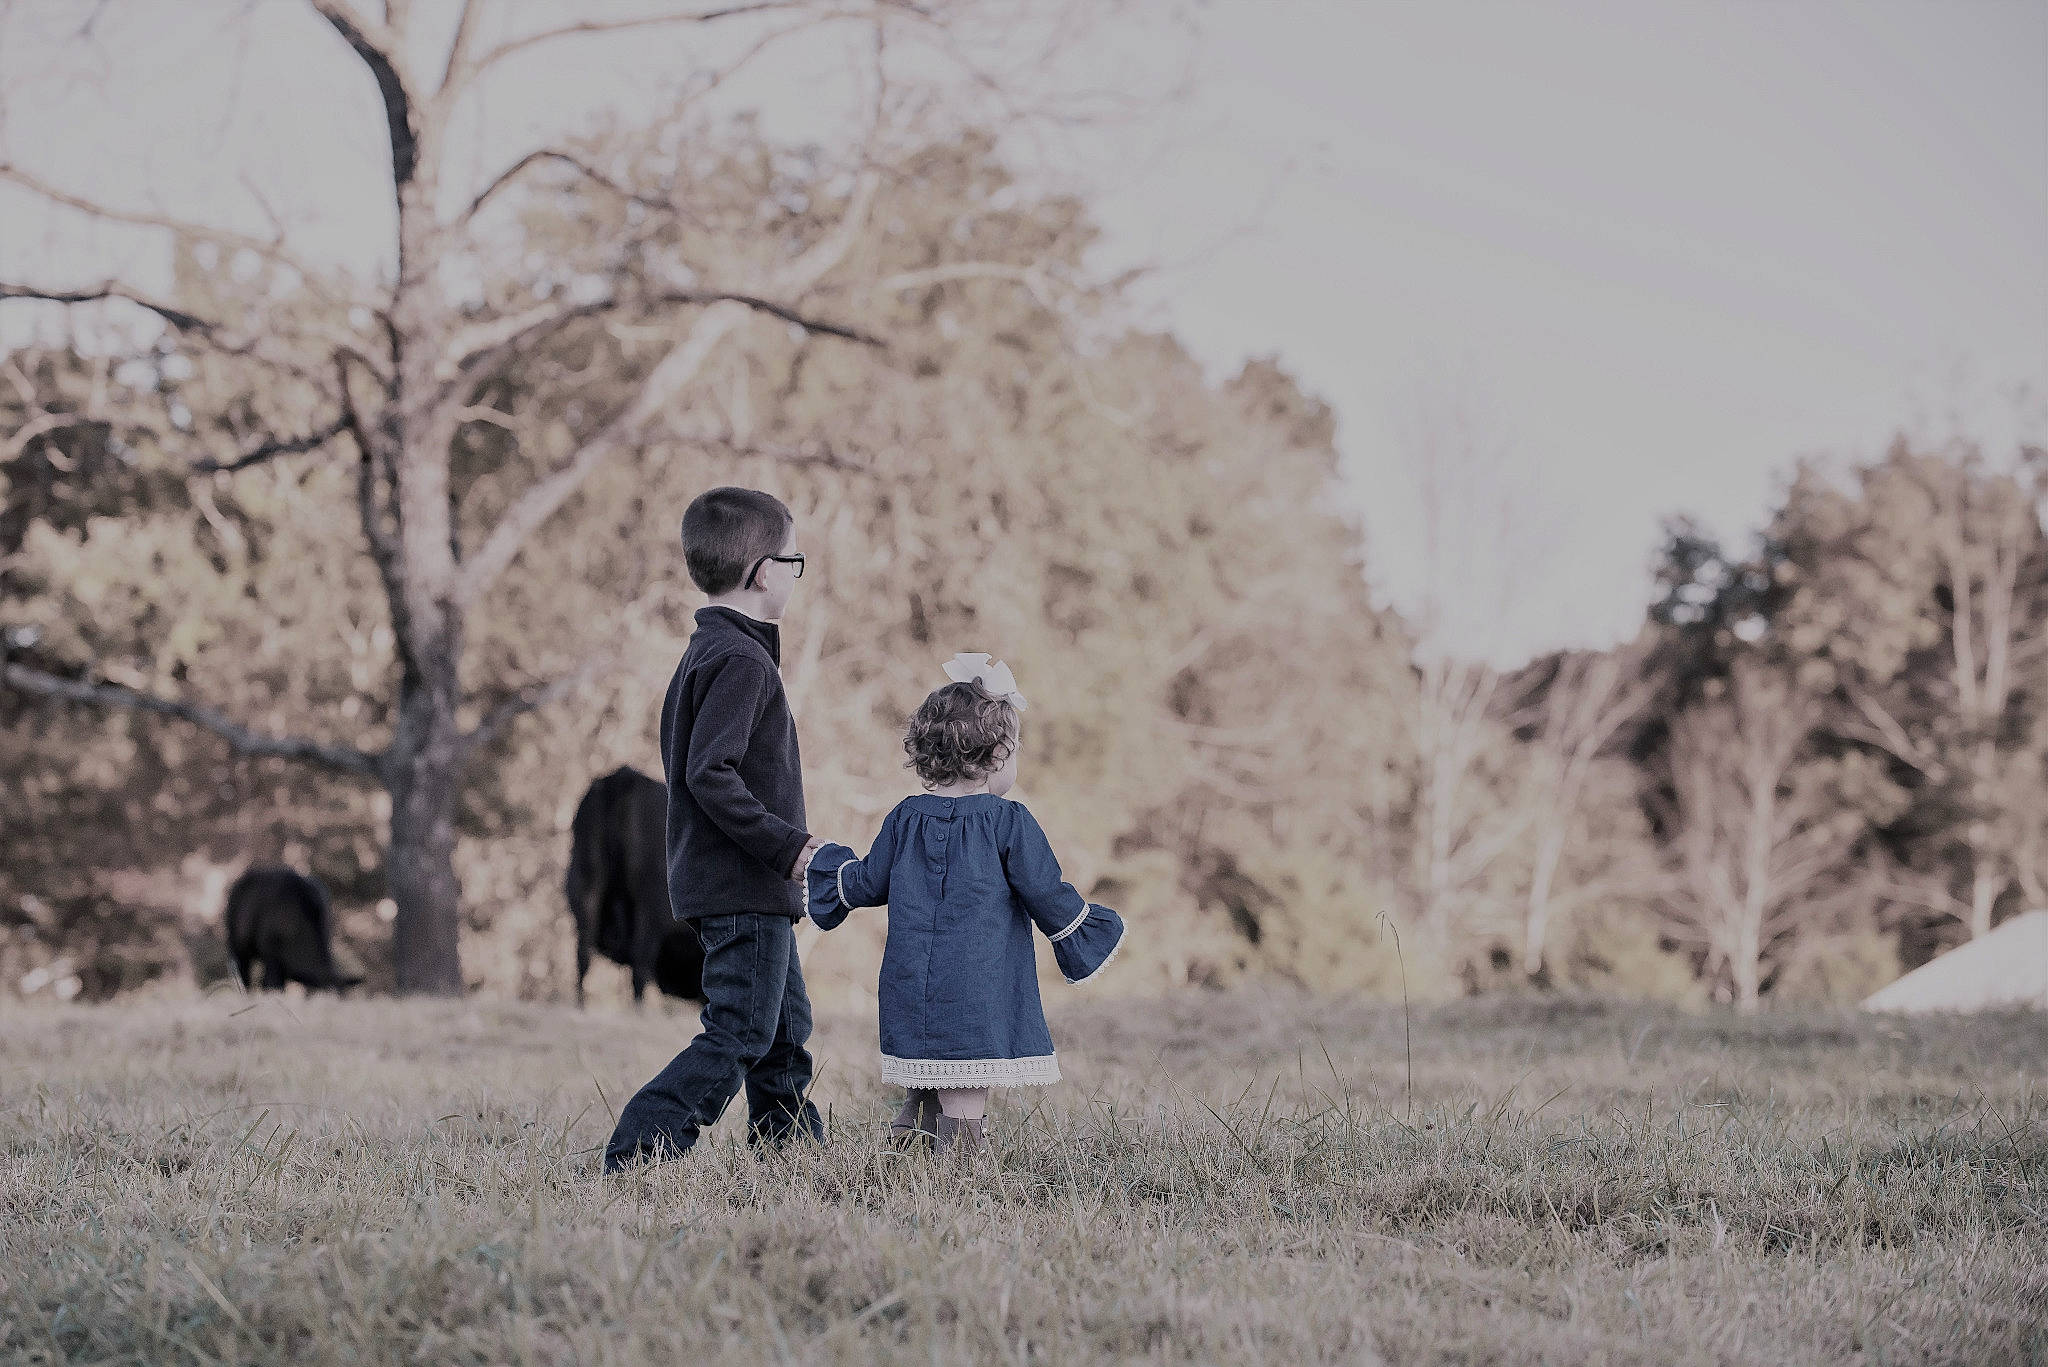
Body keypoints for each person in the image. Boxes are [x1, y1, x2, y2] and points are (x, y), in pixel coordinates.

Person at [804, 653, 1126, 1156]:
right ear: (998, 756)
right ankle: (960, 1167)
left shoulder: (905, 817)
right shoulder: (1008, 822)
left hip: (911, 983)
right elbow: (1046, 890)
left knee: (929, 1076)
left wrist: (829, 870)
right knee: (963, 1088)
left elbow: (866, 882)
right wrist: (1081, 930)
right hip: (977, 987)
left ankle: (912, 1145)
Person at [603, 487, 830, 1172]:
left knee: (784, 1030)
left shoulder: (717, 648)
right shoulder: (739, 660)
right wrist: (789, 846)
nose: (795, 571)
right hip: (743, 885)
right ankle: (643, 1146)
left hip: (744, 885)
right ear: (765, 571)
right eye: (794, 558)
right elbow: (710, 773)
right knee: (739, 1027)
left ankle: (789, 1149)